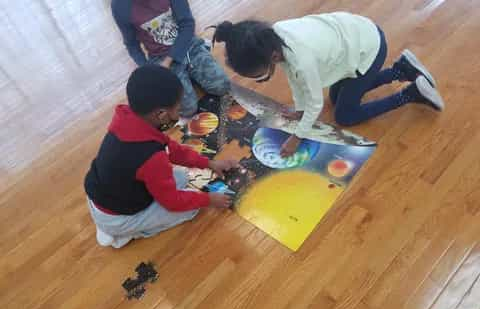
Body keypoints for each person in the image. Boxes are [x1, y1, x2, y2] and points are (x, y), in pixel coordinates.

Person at [211, 12, 445, 157]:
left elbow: (315, 103)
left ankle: (411, 93)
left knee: (345, 114)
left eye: (257, 73)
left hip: (369, 48)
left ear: (270, 57)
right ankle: (400, 70)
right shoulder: (273, 36)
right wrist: (299, 110)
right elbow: (295, 79)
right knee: (336, 98)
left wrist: (298, 136)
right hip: (353, 37)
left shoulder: (302, 59)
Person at [84, 65, 236, 248]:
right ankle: (122, 233)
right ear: (161, 114)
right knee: (191, 210)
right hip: (118, 218)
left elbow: (171, 149)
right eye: (178, 108)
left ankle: (114, 223)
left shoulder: (128, 117)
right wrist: (209, 200)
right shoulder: (150, 157)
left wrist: (209, 163)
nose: (179, 113)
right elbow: (172, 202)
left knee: (180, 178)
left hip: (103, 195)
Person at [112, 0, 230, 117]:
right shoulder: (119, 6)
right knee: (188, 109)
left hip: (188, 45)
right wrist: (148, 70)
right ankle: (190, 75)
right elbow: (132, 44)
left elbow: (187, 24)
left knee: (222, 86)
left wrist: (169, 60)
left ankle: (195, 65)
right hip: (159, 58)